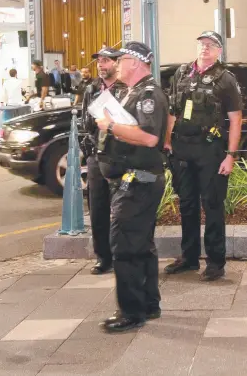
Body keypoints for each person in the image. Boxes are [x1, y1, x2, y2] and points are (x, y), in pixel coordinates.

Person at [96, 41, 168, 332]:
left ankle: (131, 312)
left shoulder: (148, 94)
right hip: (136, 177)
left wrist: (110, 126)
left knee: (124, 245)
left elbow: (150, 138)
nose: (116, 64)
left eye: (121, 59)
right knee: (142, 244)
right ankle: (149, 304)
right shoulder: (132, 92)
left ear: (136, 63)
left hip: (139, 179)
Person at [164, 31, 243, 281]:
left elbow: (235, 119)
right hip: (182, 148)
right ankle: (188, 258)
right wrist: (167, 141)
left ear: (219, 51)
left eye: (211, 45)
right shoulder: (182, 73)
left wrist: (230, 155)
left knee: (212, 205)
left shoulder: (226, 79)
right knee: (187, 205)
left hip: (210, 150)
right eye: (201, 44)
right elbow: (173, 110)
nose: (205, 49)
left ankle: (215, 262)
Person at [82, 47, 128, 275]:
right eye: (99, 61)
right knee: (97, 208)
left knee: (123, 209)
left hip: (120, 156)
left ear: (117, 63)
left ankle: (123, 255)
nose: (101, 65)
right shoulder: (91, 88)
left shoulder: (127, 88)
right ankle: (103, 257)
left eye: (106, 60)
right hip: (96, 155)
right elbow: (85, 122)